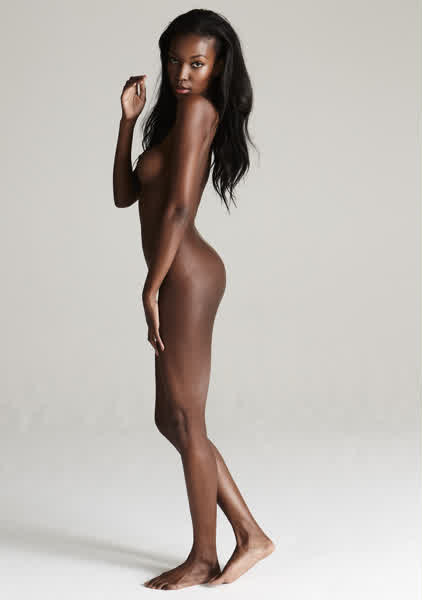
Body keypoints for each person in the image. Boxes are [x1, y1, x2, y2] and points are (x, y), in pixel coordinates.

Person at [112, 9, 274, 591]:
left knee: (187, 417)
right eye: (175, 61)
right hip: (174, 273)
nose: (183, 74)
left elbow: (180, 208)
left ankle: (205, 556)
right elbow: (124, 195)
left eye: (197, 64)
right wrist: (127, 123)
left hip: (186, 277)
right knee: (172, 418)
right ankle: (251, 535)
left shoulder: (201, 112)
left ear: (218, 68)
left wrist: (152, 285)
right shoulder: (172, 119)